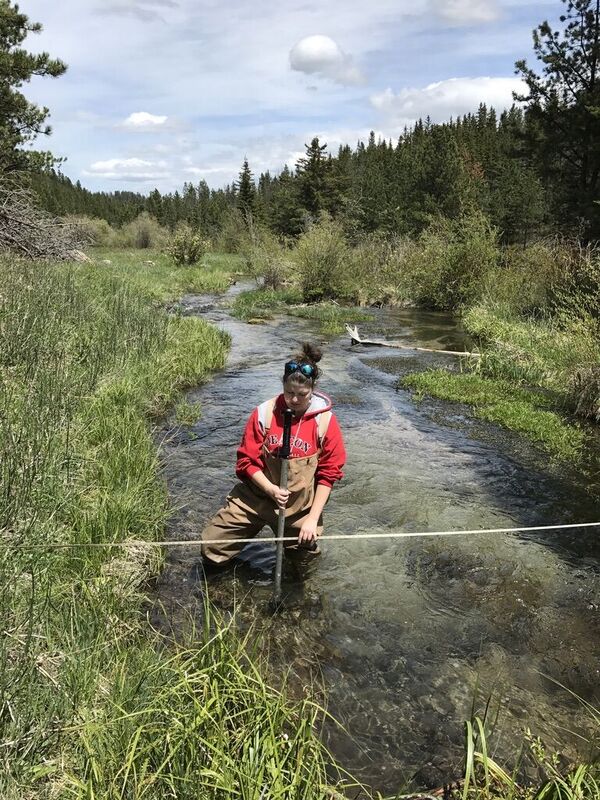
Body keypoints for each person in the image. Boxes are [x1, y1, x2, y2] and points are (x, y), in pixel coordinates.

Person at [201, 342, 346, 577]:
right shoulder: (263, 413)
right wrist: (270, 488)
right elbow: (246, 462)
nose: (295, 400)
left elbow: (329, 474)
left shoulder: (326, 423)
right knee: (212, 548)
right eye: (289, 393)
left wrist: (311, 518)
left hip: (299, 506)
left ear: (313, 390)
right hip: (256, 496)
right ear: (282, 386)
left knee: (302, 565)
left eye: (302, 395)